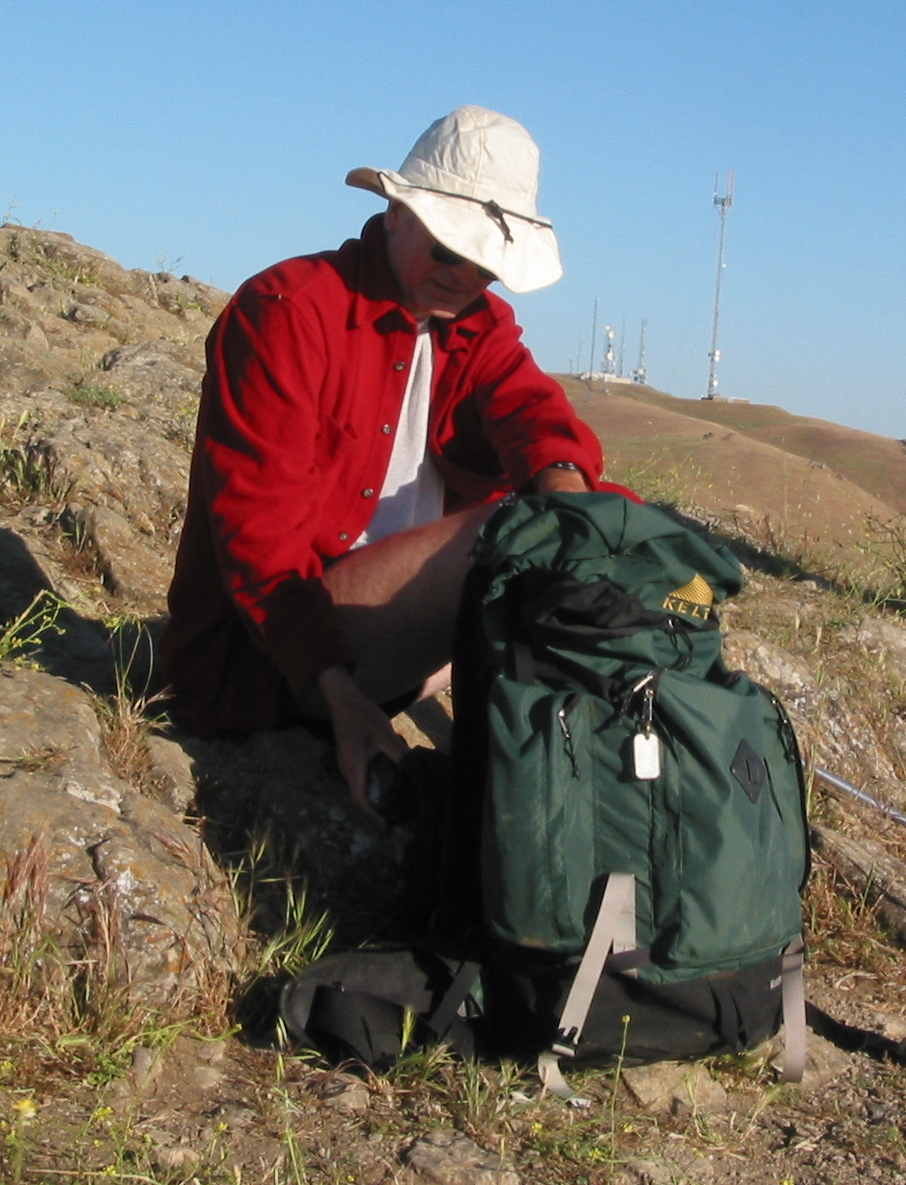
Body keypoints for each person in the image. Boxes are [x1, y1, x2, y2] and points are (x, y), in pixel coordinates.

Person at [159, 107, 605, 815]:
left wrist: (574, 497)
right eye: (451, 250)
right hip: (279, 659)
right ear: (397, 212)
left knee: (587, 533)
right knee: (511, 535)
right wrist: (343, 701)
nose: (465, 277)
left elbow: (535, 416)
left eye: (487, 264)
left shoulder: (475, 327)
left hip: (395, 651)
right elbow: (260, 538)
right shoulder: (287, 312)